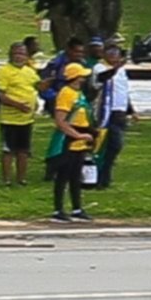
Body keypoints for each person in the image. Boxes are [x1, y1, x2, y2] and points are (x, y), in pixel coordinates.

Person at [47, 62, 95, 222]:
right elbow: (60, 121)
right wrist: (78, 135)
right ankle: (58, 209)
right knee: (63, 175)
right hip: (67, 140)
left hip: (80, 139)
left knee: (76, 175)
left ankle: (77, 208)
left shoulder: (79, 93)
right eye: (82, 76)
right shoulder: (66, 93)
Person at [0, 42, 40, 187]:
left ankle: (22, 178)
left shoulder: (30, 71)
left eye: (22, 54)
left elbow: (37, 87)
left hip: (26, 120)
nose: (19, 56)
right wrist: (18, 105)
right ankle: (6, 179)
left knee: (23, 150)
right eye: (16, 53)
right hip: (9, 119)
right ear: (10, 55)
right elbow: (0, 95)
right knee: (8, 150)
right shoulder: (3, 72)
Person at [91, 44, 133, 187]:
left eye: (117, 53)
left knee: (115, 147)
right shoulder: (99, 68)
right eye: (111, 53)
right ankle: (100, 176)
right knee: (110, 144)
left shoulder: (122, 71)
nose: (114, 56)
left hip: (120, 111)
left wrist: (131, 110)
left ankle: (105, 176)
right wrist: (114, 69)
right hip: (107, 112)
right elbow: (100, 80)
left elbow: (123, 91)